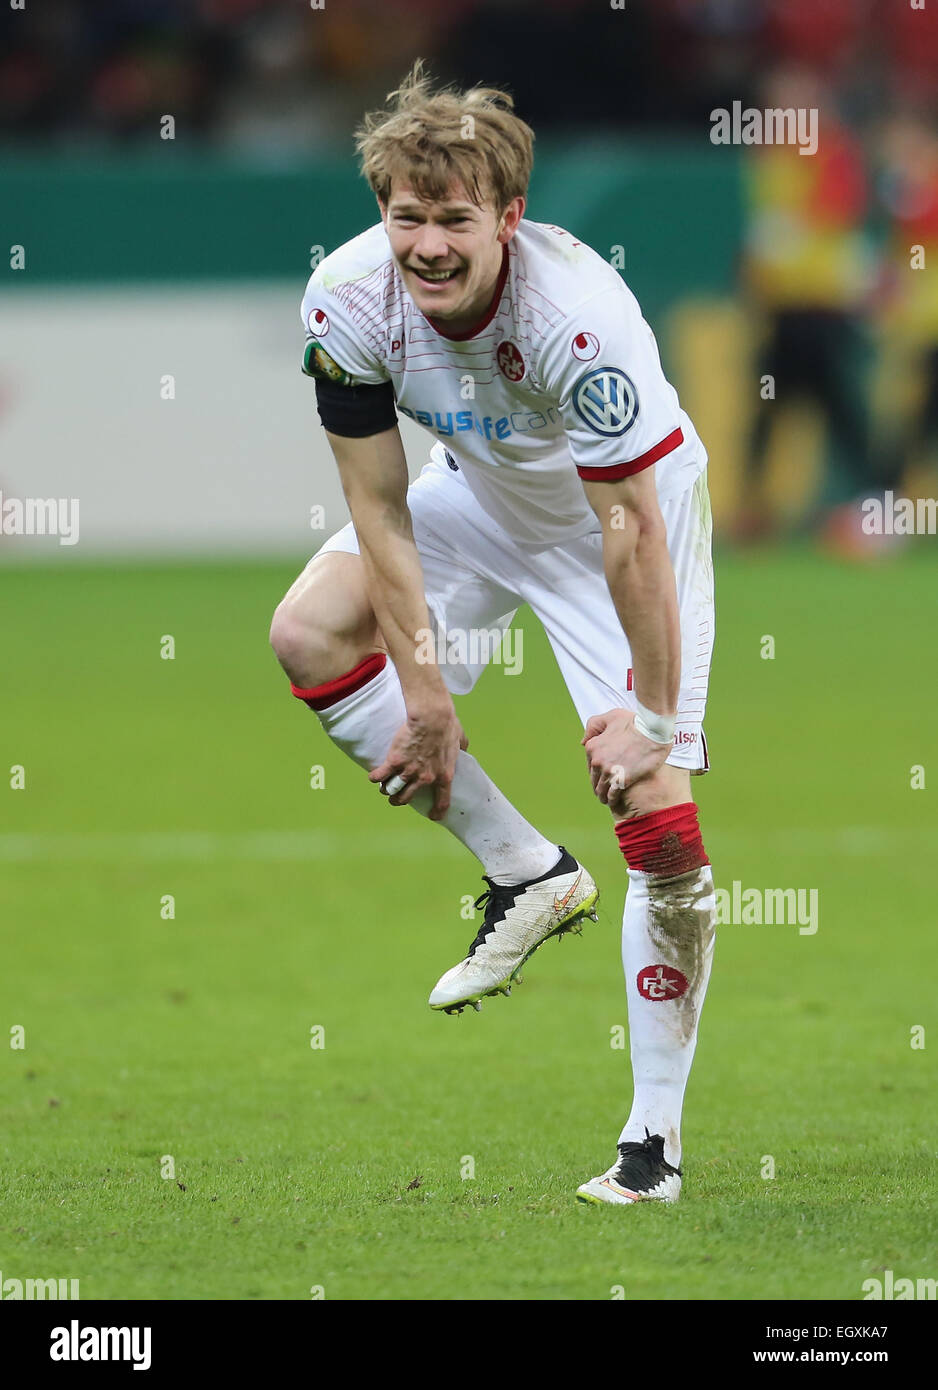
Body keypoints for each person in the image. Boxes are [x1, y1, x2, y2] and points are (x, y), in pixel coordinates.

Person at [269, 63, 716, 1206]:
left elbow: (627, 529)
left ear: (507, 218)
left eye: (452, 220)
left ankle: (651, 1143)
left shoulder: (578, 318)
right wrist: (425, 695)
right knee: (310, 634)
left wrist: (653, 719)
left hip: (622, 528)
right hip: (476, 497)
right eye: (404, 216)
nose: (423, 244)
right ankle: (525, 869)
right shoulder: (344, 301)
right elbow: (375, 506)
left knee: (657, 814)